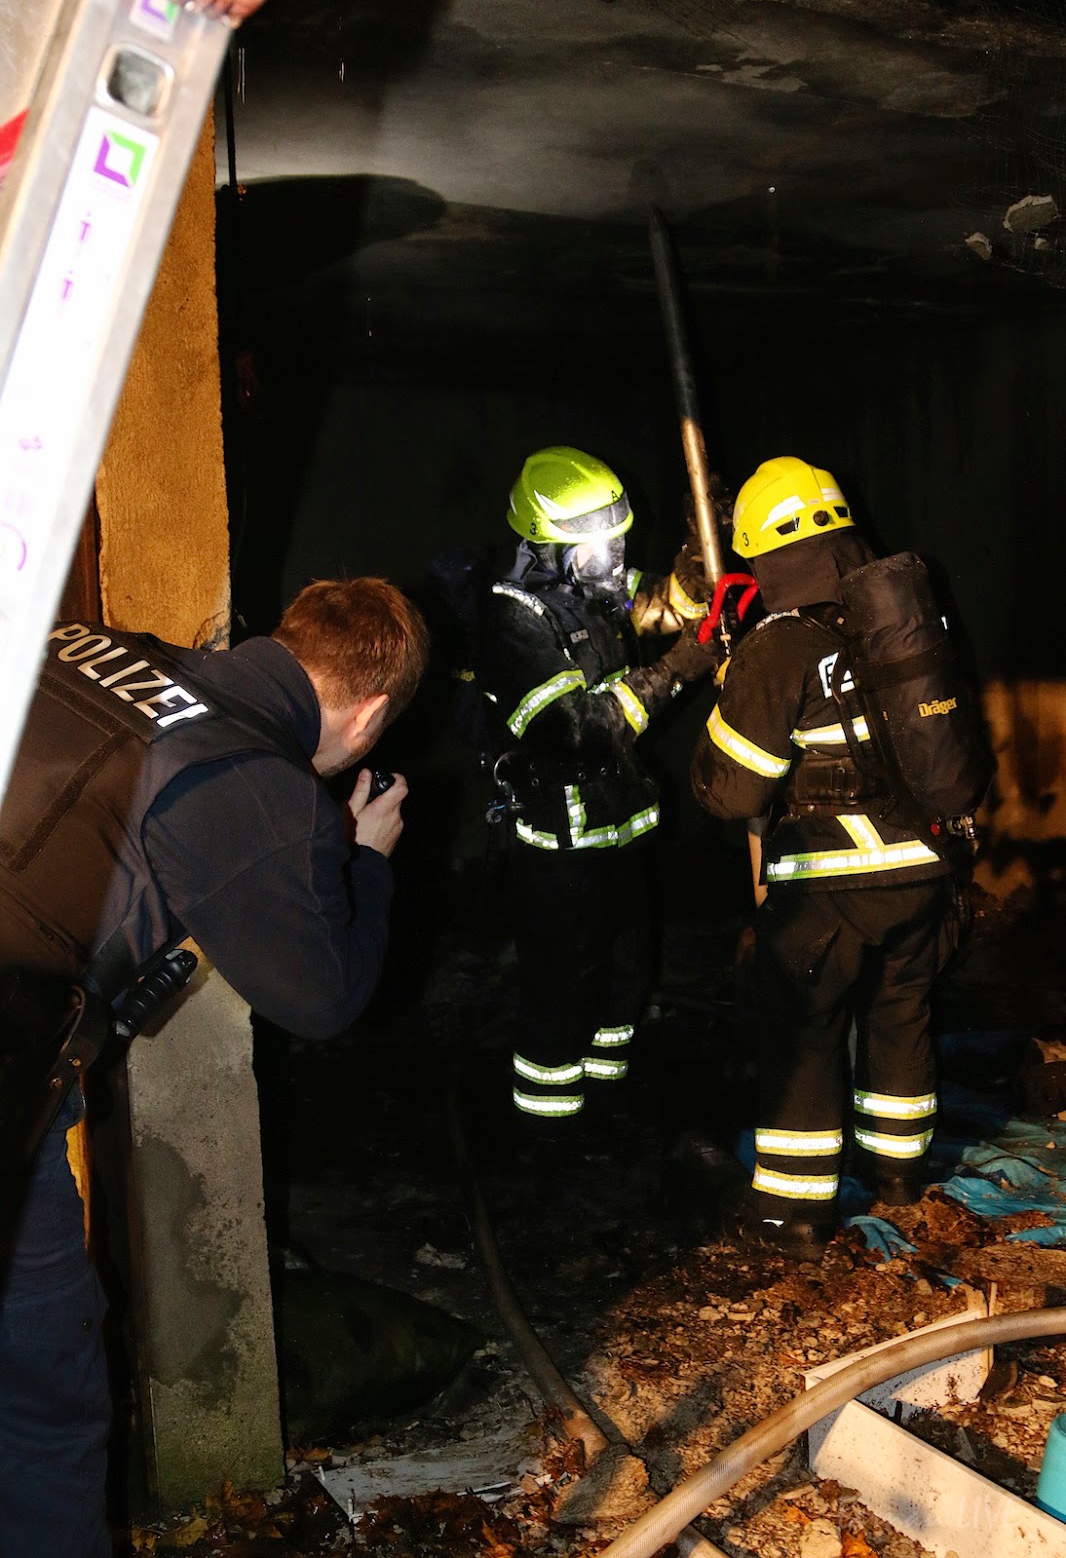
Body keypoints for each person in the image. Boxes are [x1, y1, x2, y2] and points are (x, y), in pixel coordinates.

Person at [0, 576, 428, 1558]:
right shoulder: (260, 790)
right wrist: (363, 856)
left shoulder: (93, 648)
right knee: (42, 1401)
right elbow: (323, 998)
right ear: (365, 718)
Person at [690, 456, 963, 1262]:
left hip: (832, 886)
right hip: (927, 871)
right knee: (899, 1013)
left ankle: (792, 1217)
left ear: (758, 549)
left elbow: (732, 793)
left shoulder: (779, 644)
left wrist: (728, 679)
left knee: (803, 1033)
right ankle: (901, 1176)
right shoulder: (905, 619)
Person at [469, 445, 719, 1142]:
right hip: (556, 842)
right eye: (596, 546)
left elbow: (661, 607)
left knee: (627, 964)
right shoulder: (512, 622)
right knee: (562, 980)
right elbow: (577, 733)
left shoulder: (590, 591)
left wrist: (698, 566)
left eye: (615, 540)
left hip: (619, 827)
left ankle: (607, 1100)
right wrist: (674, 671)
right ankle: (547, 1128)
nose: (612, 558)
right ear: (547, 548)